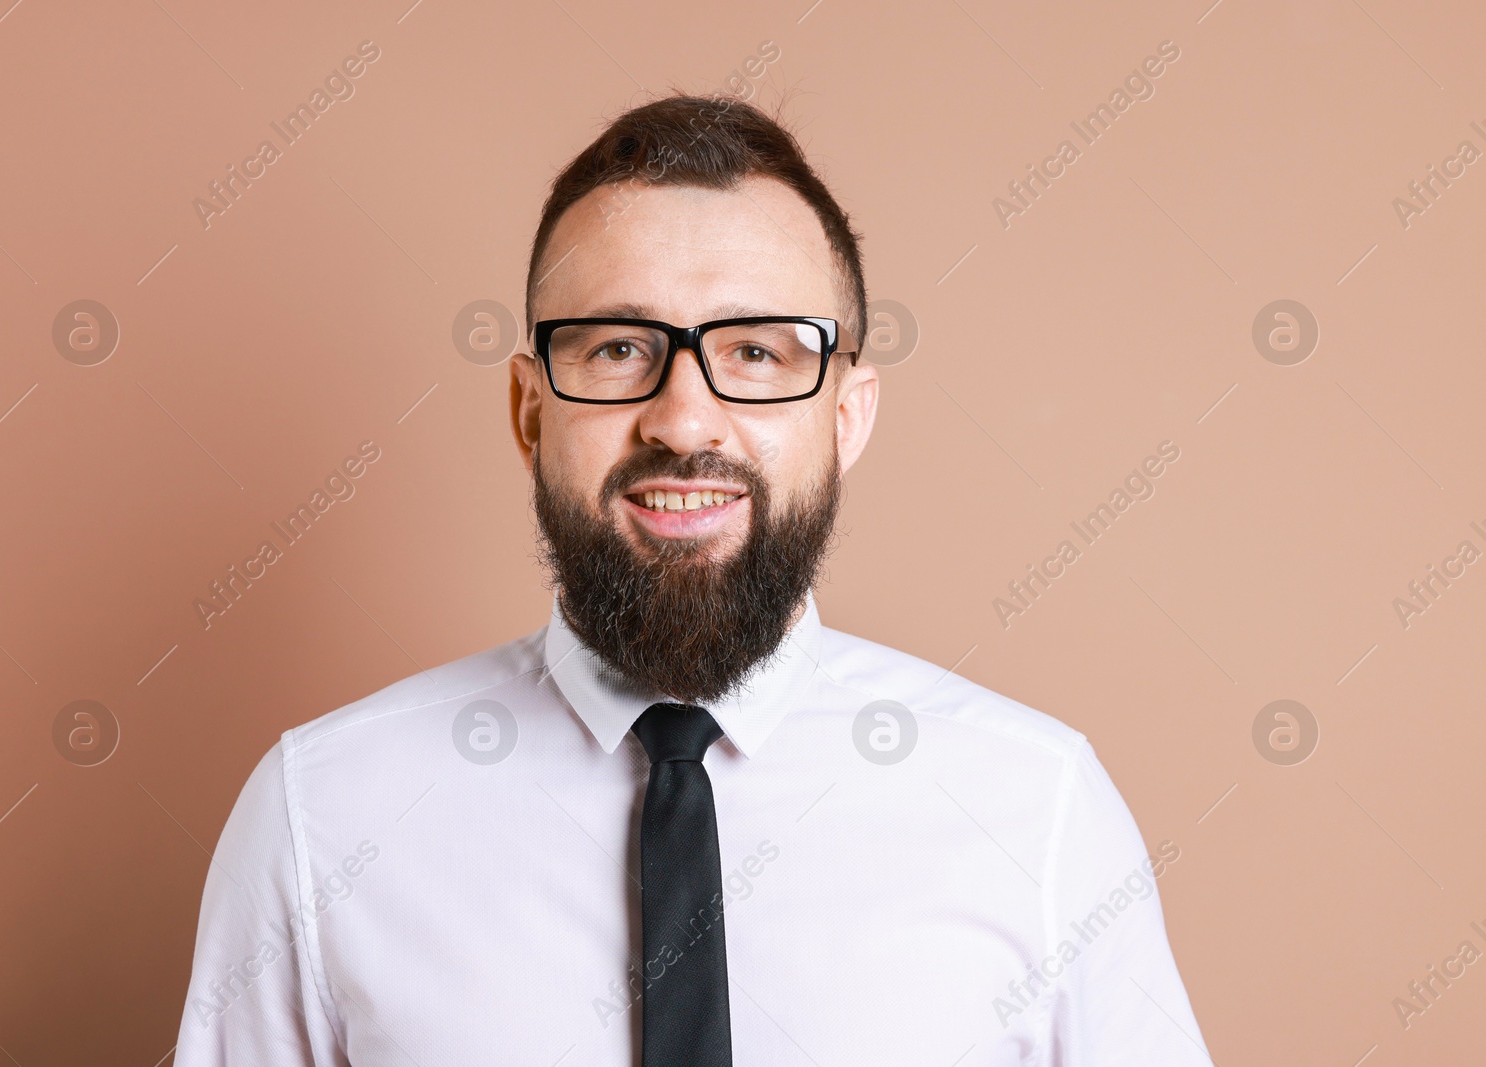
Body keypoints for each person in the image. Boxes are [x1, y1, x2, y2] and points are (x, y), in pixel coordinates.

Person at [172, 93, 1210, 1066]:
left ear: (846, 415)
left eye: (757, 353)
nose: (682, 417)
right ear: (528, 409)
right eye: (619, 346)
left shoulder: (1035, 809)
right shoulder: (322, 816)